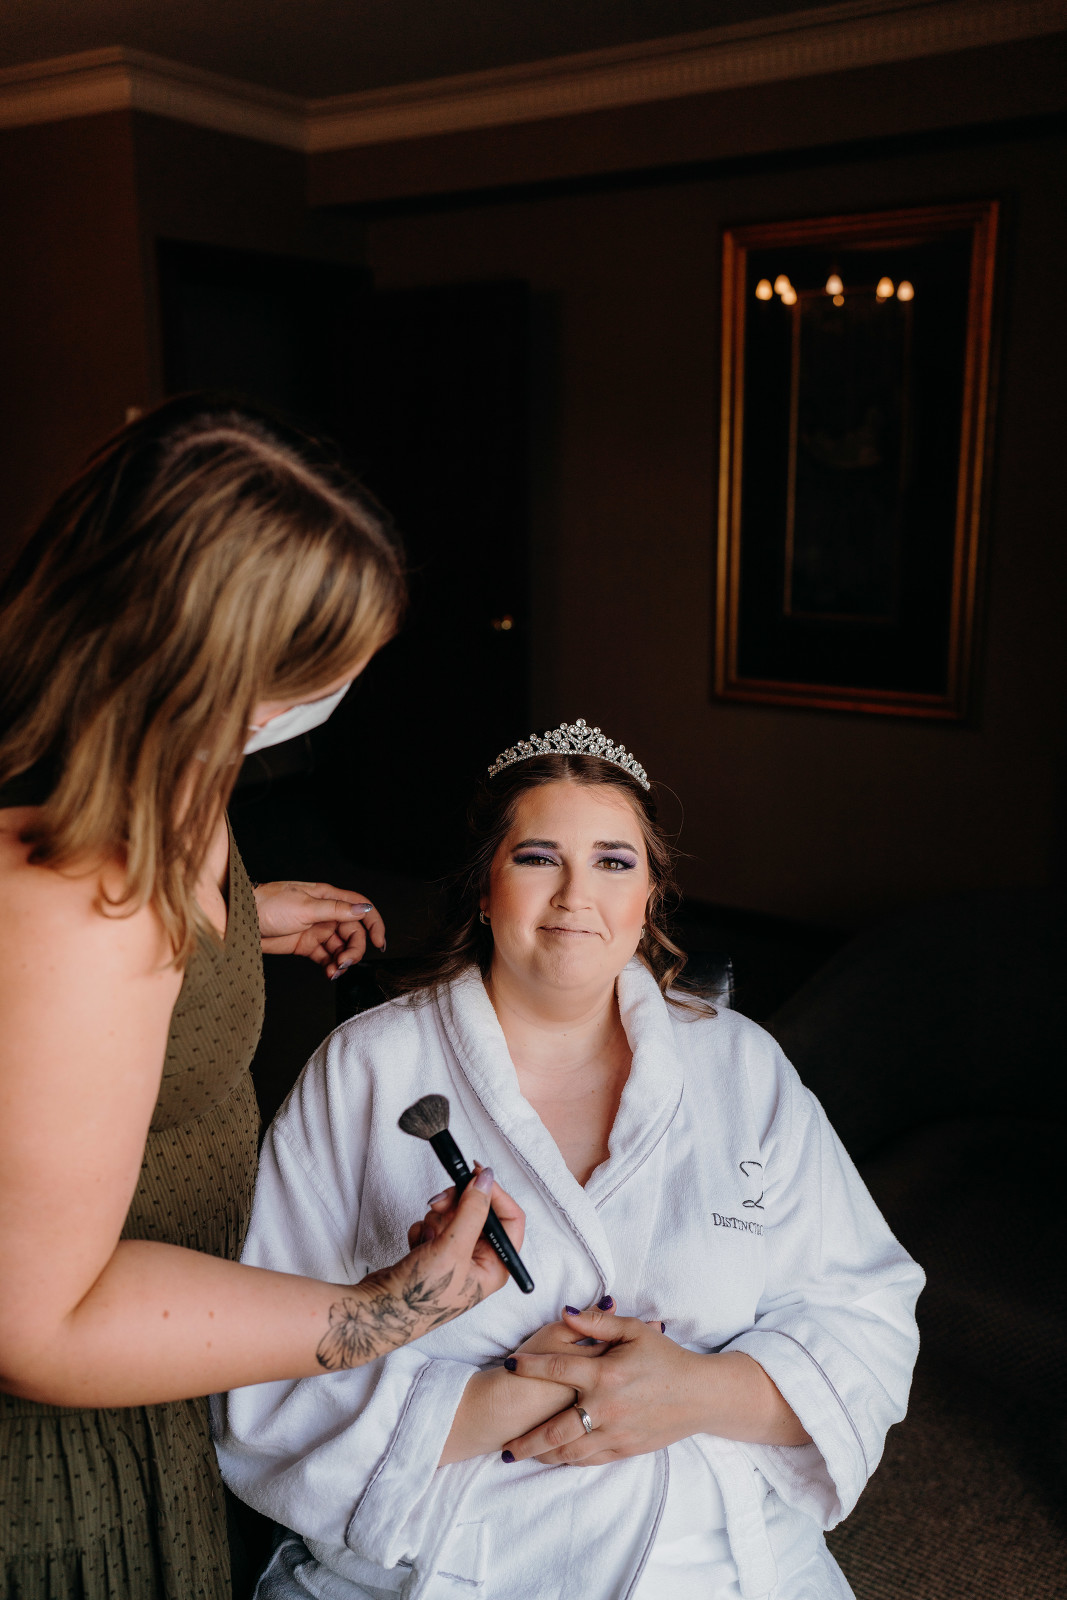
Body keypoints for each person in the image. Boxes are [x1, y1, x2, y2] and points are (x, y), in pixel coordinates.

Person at [0, 397, 525, 1600]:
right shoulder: (82, 902)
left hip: (171, 1363)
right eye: (322, 675)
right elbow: (38, 1327)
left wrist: (233, 923)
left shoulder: (170, 764)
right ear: (222, 676)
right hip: (66, 1444)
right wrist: (383, 1311)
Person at [216, 719, 924, 1600]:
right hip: (449, 1555)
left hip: (704, 1555)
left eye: (613, 863)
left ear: (650, 897)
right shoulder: (368, 1067)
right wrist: (512, 1397)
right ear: (484, 889)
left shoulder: (741, 1065)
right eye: (537, 858)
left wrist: (696, 1392)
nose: (574, 896)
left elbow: (864, 1311)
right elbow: (266, 1376)